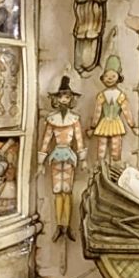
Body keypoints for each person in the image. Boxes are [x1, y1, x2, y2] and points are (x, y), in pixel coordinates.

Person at [36, 76, 84, 240]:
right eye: (61, 96)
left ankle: (67, 225)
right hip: (56, 156)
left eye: (67, 96)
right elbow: (46, 140)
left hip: (69, 156)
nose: (64, 99)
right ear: (56, 98)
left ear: (71, 99)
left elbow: (79, 139)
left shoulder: (74, 119)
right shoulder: (52, 119)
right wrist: (40, 162)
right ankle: (59, 225)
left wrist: (83, 159)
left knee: (67, 191)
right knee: (57, 191)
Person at [88, 53, 134, 167]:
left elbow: (126, 111)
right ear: (103, 78)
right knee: (101, 148)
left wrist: (132, 125)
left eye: (113, 76)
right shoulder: (101, 95)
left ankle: (114, 167)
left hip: (116, 123)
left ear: (118, 77)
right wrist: (93, 127)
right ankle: (100, 167)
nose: (109, 79)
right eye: (107, 76)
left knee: (116, 147)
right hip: (104, 123)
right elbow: (97, 112)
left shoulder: (121, 95)